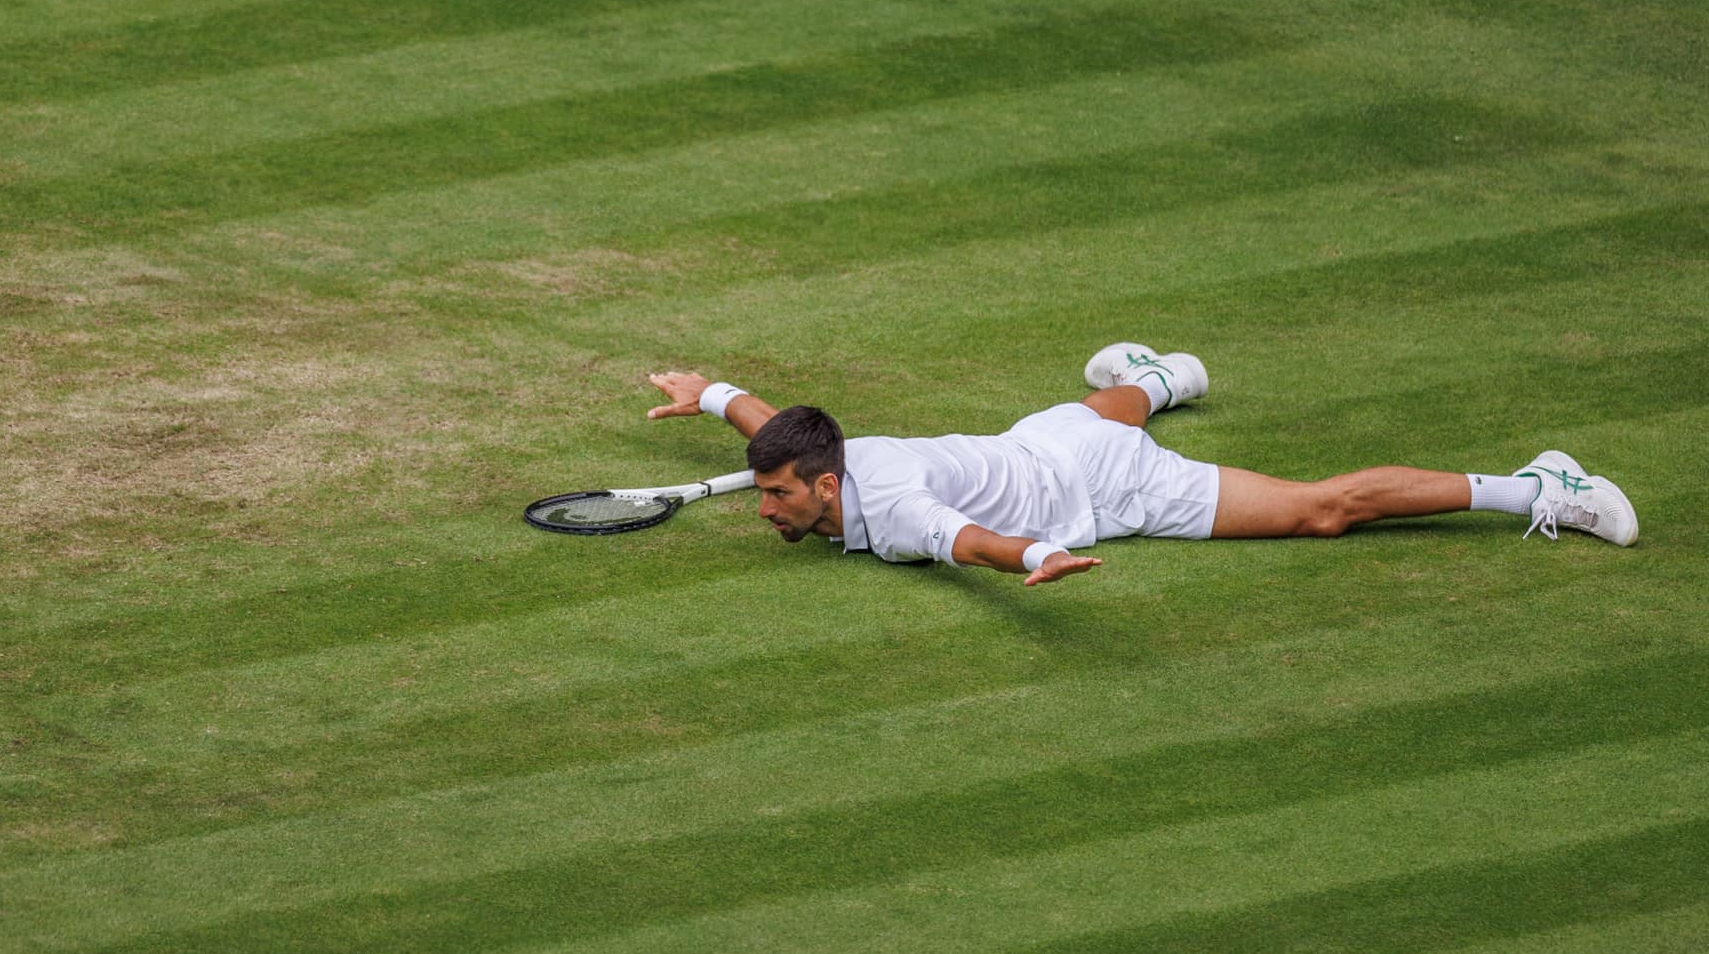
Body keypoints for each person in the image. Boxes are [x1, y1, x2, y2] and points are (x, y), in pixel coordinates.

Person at [644, 343, 1638, 586]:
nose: (760, 505)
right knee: (1102, 404)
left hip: (1108, 485)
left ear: (826, 489)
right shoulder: (819, 457)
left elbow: (968, 540)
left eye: (773, 495)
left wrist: (1033, 557)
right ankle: (1155, 376)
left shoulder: (893, 506)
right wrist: (718, 394)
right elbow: (779, 428)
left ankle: (1537, 485)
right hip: (1047, 433)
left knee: (1321, 511)